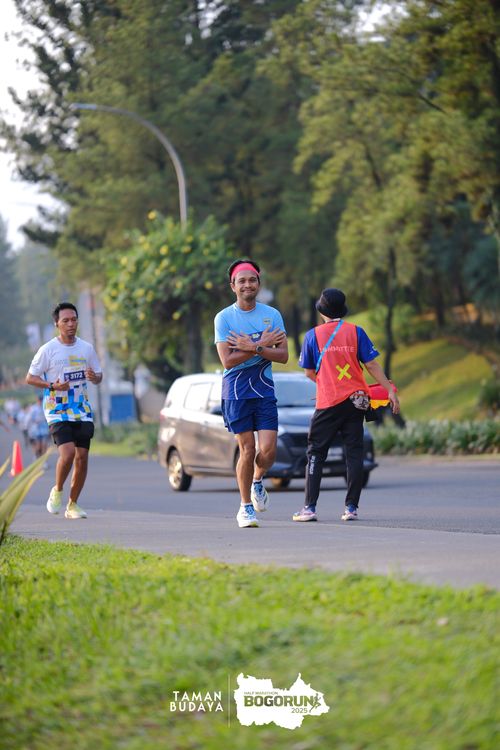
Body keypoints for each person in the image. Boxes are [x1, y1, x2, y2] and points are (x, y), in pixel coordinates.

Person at [293, 288, 399, 523]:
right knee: (354, 453)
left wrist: (327, 384)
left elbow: (309, 371)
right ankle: (351, 508)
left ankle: (309, 508)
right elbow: (371, 365)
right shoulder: (356, 332)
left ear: (321, 311)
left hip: (328, 402)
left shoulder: (312, 336)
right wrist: (390, 390)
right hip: (356, 402)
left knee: (316, 452)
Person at [214, 259, 289, 528]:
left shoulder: (272, 315)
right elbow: (228, 360)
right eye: (242, 281)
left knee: (268, 451)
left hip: (264, 390)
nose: (248, 284)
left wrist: (253, 347)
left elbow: (283, 355)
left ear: (258, 283)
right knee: (248, 449)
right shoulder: (224, 318)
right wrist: (262, 344)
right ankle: (245, 507)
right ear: (233, 286)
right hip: (236, 391)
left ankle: (257, 479)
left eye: (252, 280)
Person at [26, 302, 103, 519]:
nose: (71, 324)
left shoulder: (86, 348)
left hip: (81, 408)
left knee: (82, 457)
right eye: (66, 320)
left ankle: (73, 505)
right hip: (57, 409)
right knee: (68, 453)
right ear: (57, 324)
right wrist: (52, 385)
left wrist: (94, 377)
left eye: (74, 320)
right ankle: (58, 490)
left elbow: (98, 376)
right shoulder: (48, 350)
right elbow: (30, 378)